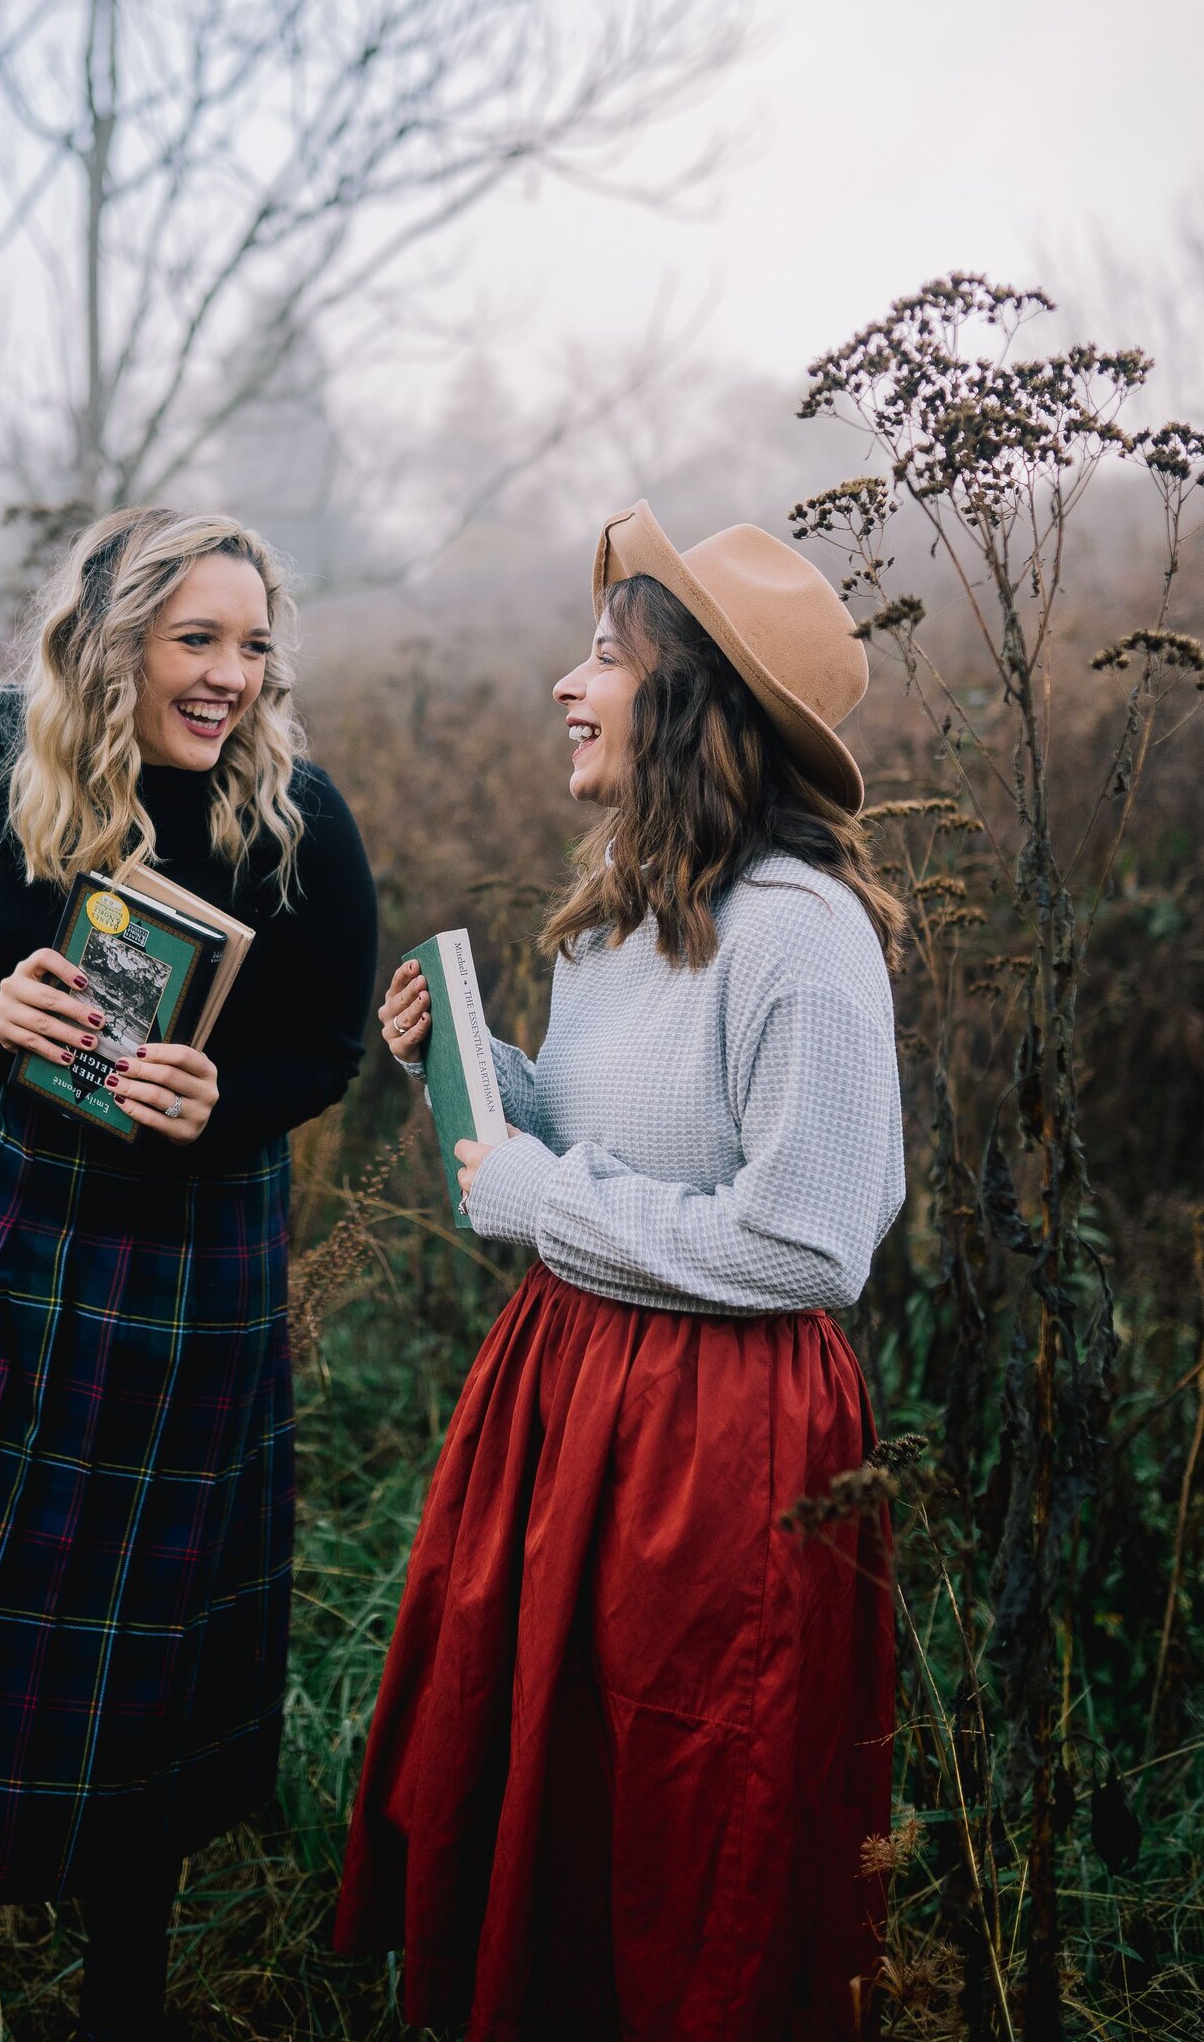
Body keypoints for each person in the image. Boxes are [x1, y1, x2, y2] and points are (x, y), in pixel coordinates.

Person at [0, 508, 378, 2042]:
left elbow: (320, 1048)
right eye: (199, 640)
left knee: (137, 1656)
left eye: (254, 646)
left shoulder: (293, 819)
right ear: (111, 642)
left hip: (178, 1275)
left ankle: (126, 1997)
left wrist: (219, 1104)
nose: (232, 678)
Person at [335, 505, 905, 2042]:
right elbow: (624, 1150)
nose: (563, 685)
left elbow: (808, 1238)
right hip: (573, 1393)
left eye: (604, 658)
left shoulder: (802, 937)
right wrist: (487, 1084)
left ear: (692, 704)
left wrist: (537, 1192)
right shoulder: (614, 924)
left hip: (718, 1445)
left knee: (685, 1794)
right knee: (550, 1774)